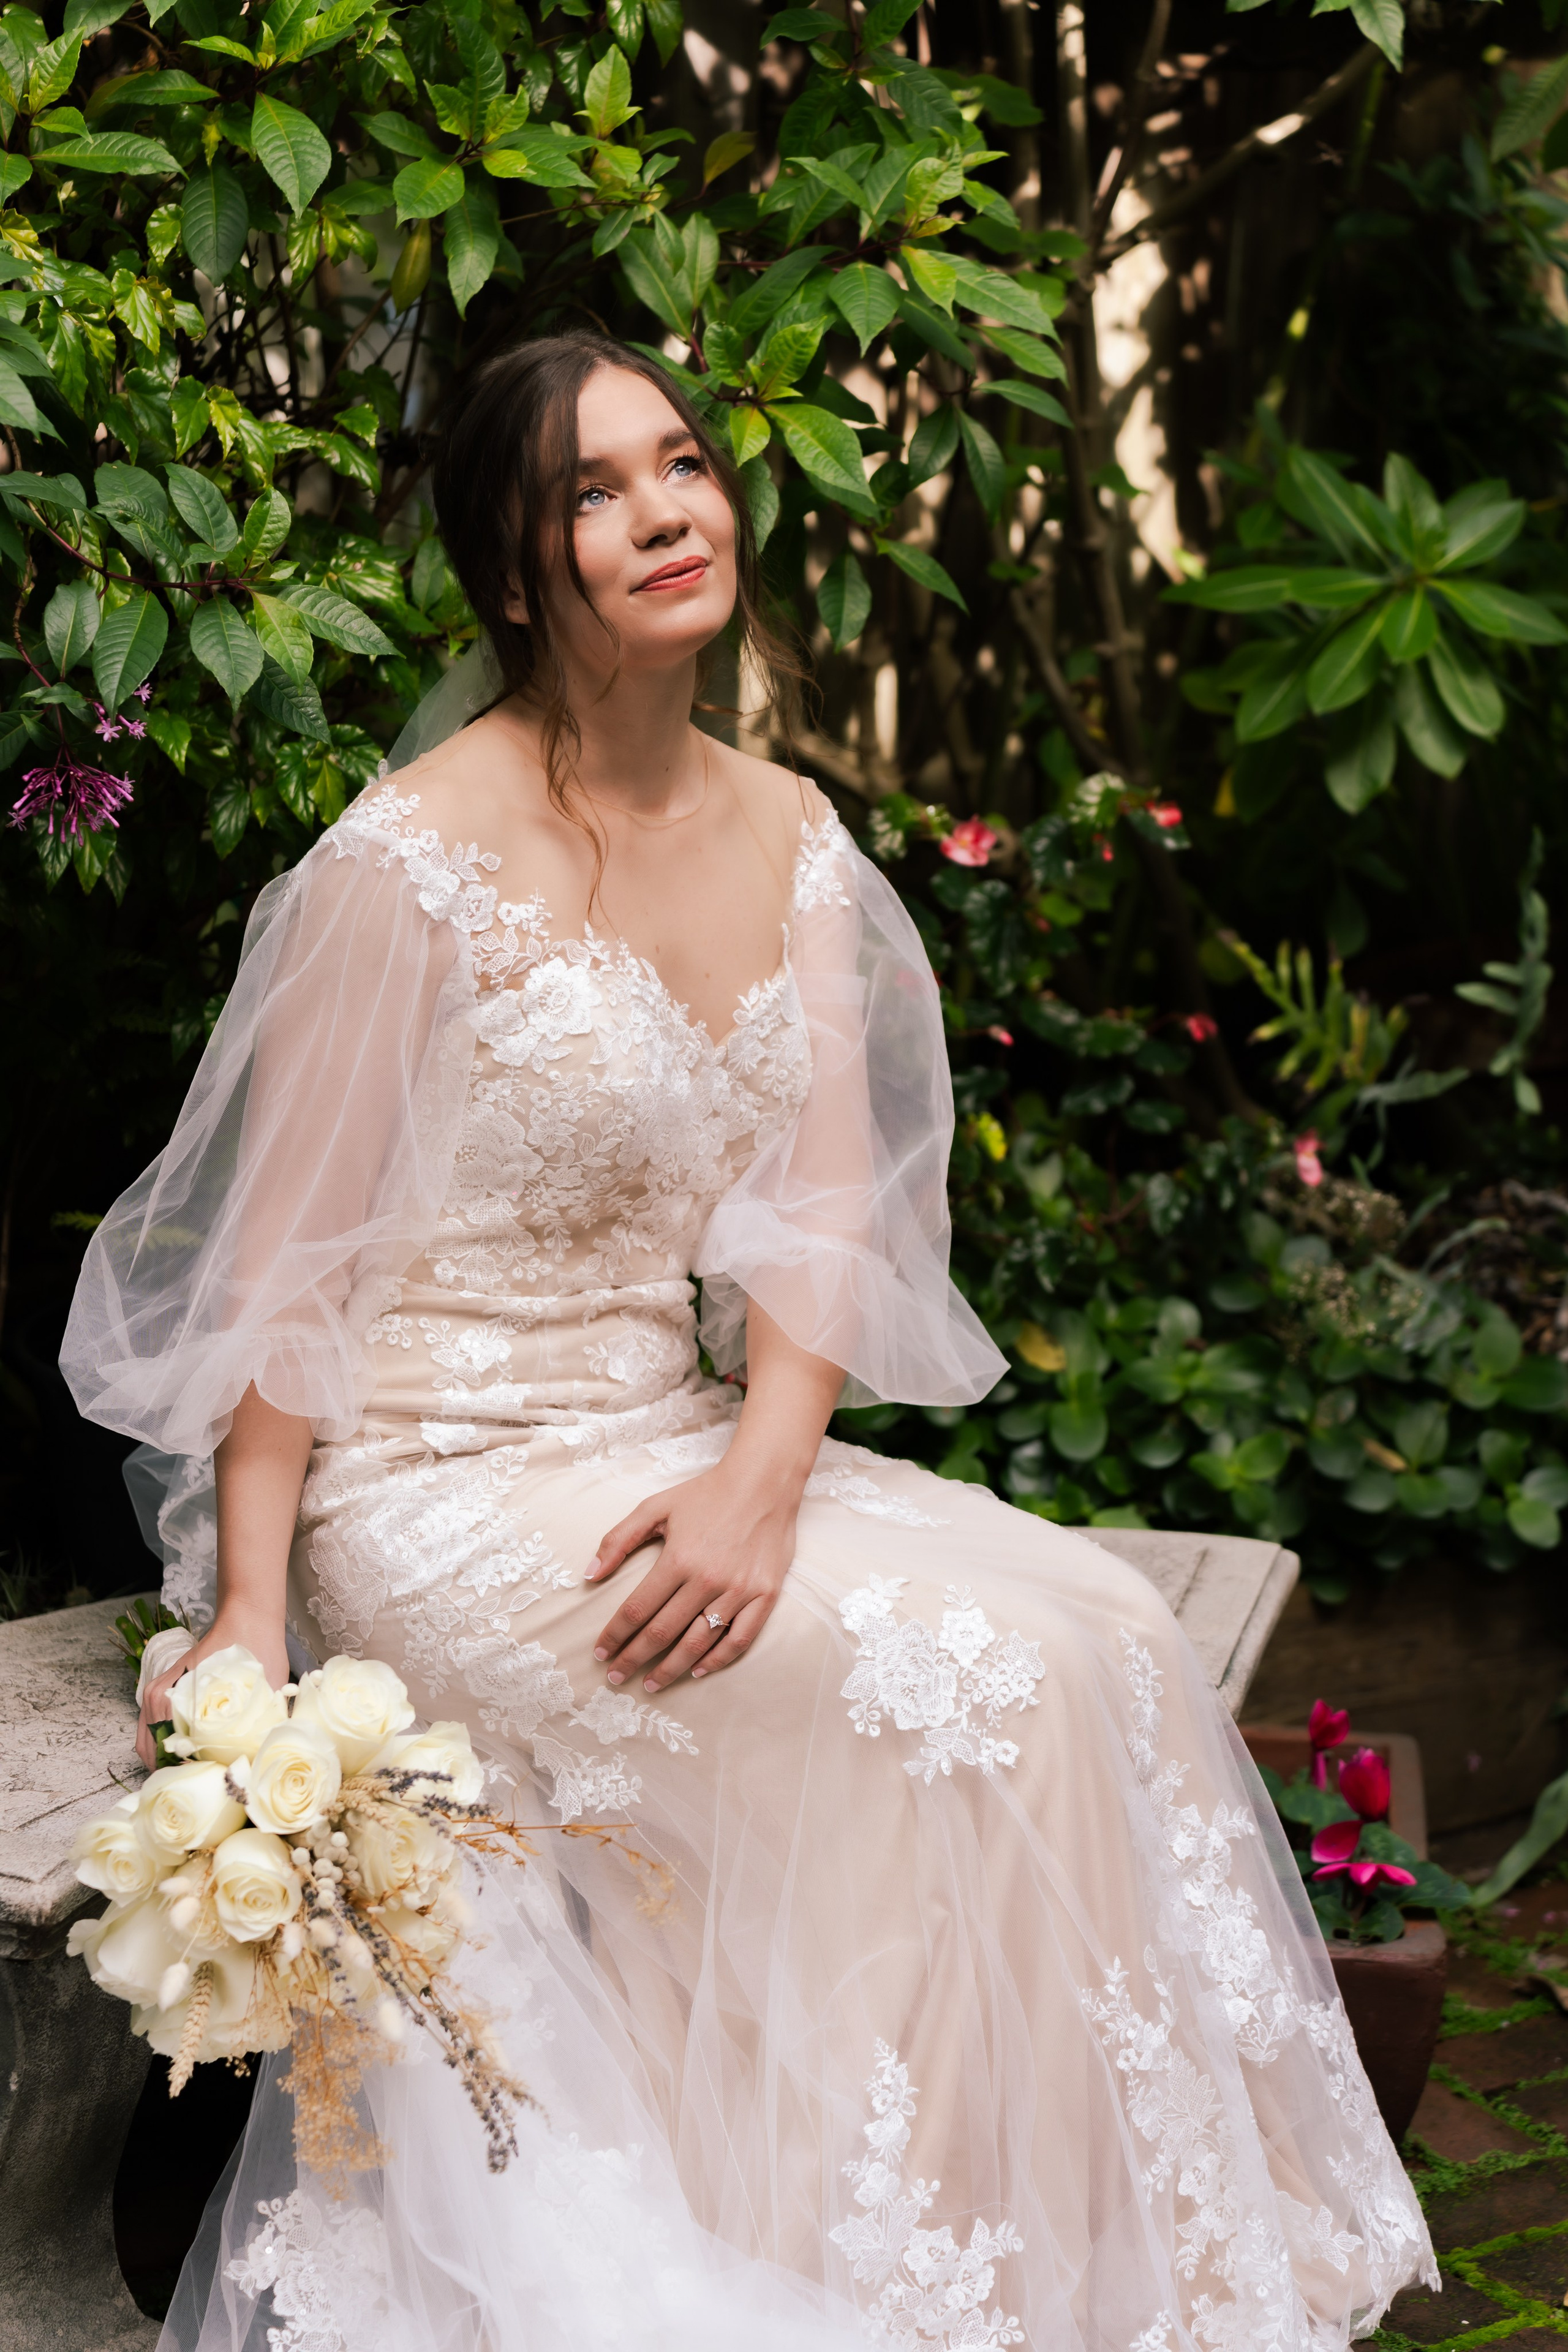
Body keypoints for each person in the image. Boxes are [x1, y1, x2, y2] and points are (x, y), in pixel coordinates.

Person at [63, 333, 1433, 2352]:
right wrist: (253, 1609)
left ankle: (1001, 2282)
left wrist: (760, 1485)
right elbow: (289, 1277)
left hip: (677, 1436)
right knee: (927, 1679)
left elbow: (819, 1231)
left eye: (682, 464)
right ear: (522, 578)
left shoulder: (795, 837)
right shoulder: (405, 866)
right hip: (431, 1482)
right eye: (593, 492)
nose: (665, 511)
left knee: (1099, 1640)